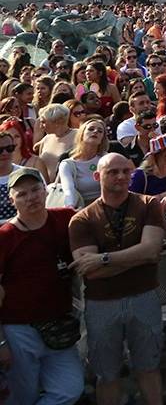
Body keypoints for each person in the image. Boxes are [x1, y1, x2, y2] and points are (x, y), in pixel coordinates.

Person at [68, 153, 165, 405]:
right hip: (102, 304)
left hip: (144, 296)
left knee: (149, 368)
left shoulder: (148, 204)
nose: (121, 176)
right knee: (107, 374)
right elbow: (89, 272)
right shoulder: (82, 219)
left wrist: (103, 259)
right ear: (97, 176)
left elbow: (153, 250)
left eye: (126, 171)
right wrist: (139, 256)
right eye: (113, 172)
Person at [0, 168, 86, 405]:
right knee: (22, 397)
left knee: (70, 388)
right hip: (19, 329)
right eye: (23, 193)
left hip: (58, 325)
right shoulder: (5, 236)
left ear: (45, 190)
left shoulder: (66, 217)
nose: (31, 197)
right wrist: (1, 343)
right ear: (11, 199)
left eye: (36, 189)